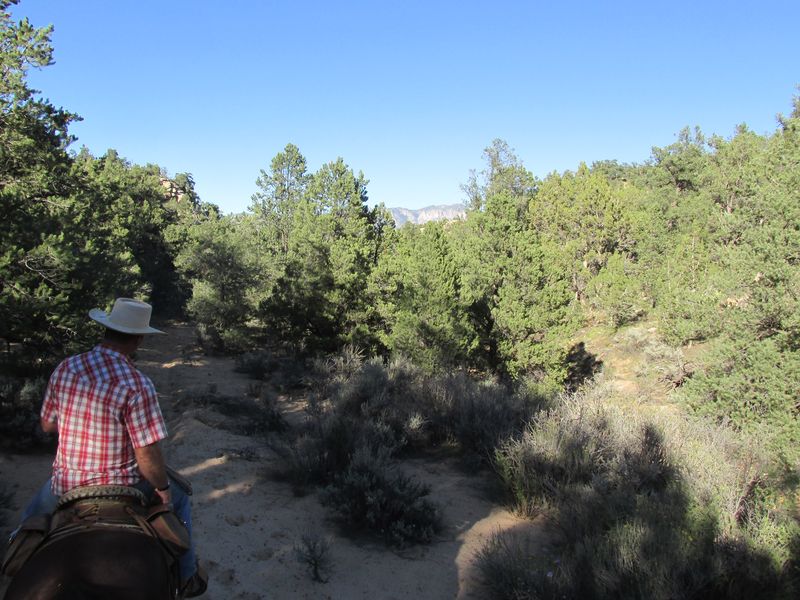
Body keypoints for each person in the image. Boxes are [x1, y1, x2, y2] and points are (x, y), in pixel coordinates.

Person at [11, 298, 207, 597]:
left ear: (107, 328)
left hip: (67, 484)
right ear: (139, 338)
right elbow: (147, 455)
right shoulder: (137, 383)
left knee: (27, 526)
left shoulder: (67, 367)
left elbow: (48, 425)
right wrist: (163, 488)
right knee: (181, 499)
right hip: (122, 486)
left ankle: (11, 563)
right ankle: (188, 576)